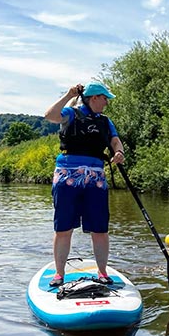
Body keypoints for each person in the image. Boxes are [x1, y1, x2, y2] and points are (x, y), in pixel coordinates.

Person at [43, 81, 125, 288]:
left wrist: (119, 152)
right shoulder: (72, 113)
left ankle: (103, 272)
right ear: (94, 98)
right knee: (64, 228)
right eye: (105, 98)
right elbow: (50, 115)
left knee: (100, 229)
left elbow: (115, 141)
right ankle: (59, 274)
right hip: (67, 176)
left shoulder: (105, 121)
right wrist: (69, 94)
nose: (107, 102)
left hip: (95, 179)